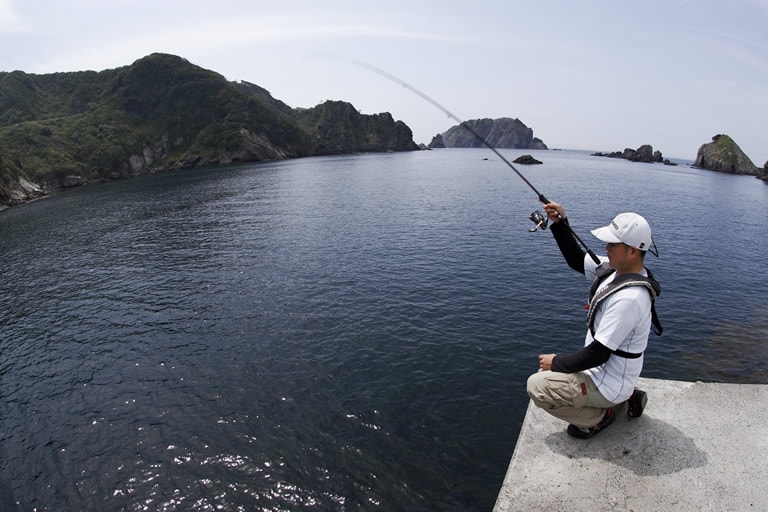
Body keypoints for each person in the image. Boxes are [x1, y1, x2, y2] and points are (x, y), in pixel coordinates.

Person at [526, 202, 661, 439]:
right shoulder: (616, 271)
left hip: (607, 380)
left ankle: (600, 417)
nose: (606, 247)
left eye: (612, 244)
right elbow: (577, 260)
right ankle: (626, 397)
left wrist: (556, 362)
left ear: (632, 251)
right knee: (552, 372)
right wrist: (560, 224)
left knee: (537, 385)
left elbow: (598, 353)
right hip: (611, 373)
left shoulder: (630, 298)